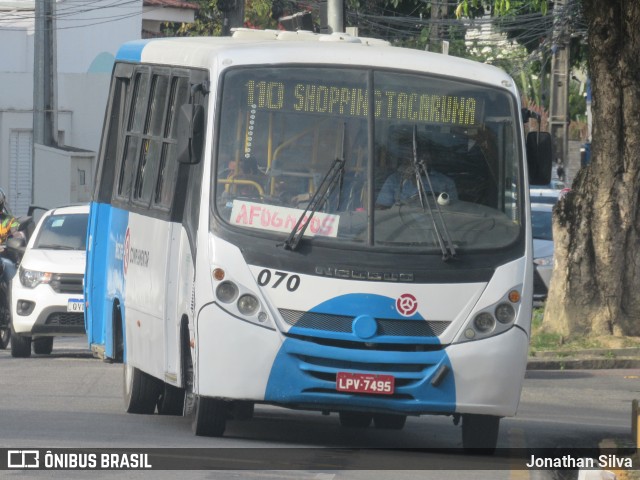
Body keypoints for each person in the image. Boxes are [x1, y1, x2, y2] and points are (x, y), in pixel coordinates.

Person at [375, 154, 458, 209]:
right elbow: (382, 208)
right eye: (414, 156)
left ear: (430, 157)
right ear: (407, 159)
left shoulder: (446, 182)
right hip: (401, 226)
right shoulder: (394, 180)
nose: (419, 161)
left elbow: (455, 212)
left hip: (440, 227)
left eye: (423, 155)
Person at [0, 189, 19, 284]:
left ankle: (11, 295)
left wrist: (18, 238)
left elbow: (16, 233)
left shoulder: (10, 220)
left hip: (3, 254)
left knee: (9, 266)